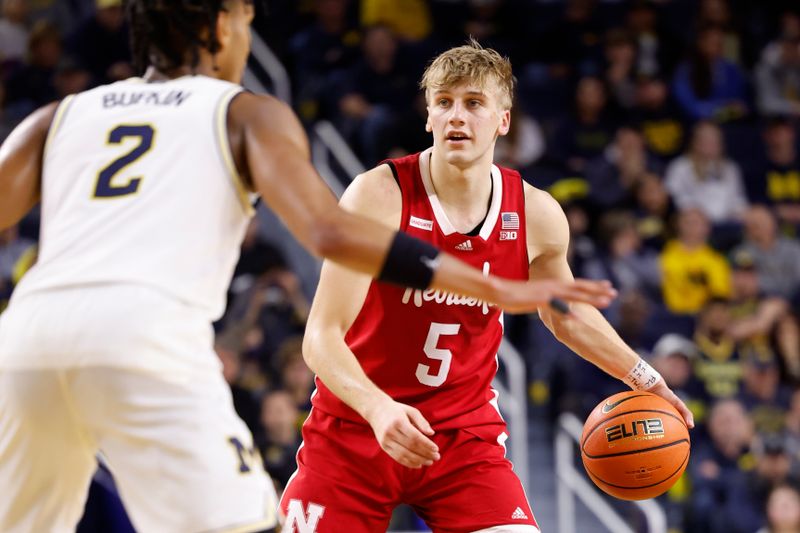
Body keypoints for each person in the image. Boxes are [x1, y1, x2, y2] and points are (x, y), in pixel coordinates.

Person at [0, 2, 617, 533]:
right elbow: (328, 230)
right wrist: (482, 282)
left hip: (26, 338)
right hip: (146, 335)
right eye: (244, 18)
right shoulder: (243, 111)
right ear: (219, 28)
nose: (247, 33)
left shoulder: (62, 113)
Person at [280, 40, 693, 532]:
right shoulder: (378, 197)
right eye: (444, 103)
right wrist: (378, 407)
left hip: (462, 439)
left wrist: (643, 376)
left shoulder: (537, 214)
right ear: (428, 117)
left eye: (474, 103)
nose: (458, 116)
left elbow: (565, 313)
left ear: (503, 120)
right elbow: (321, 336)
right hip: (354, 428)